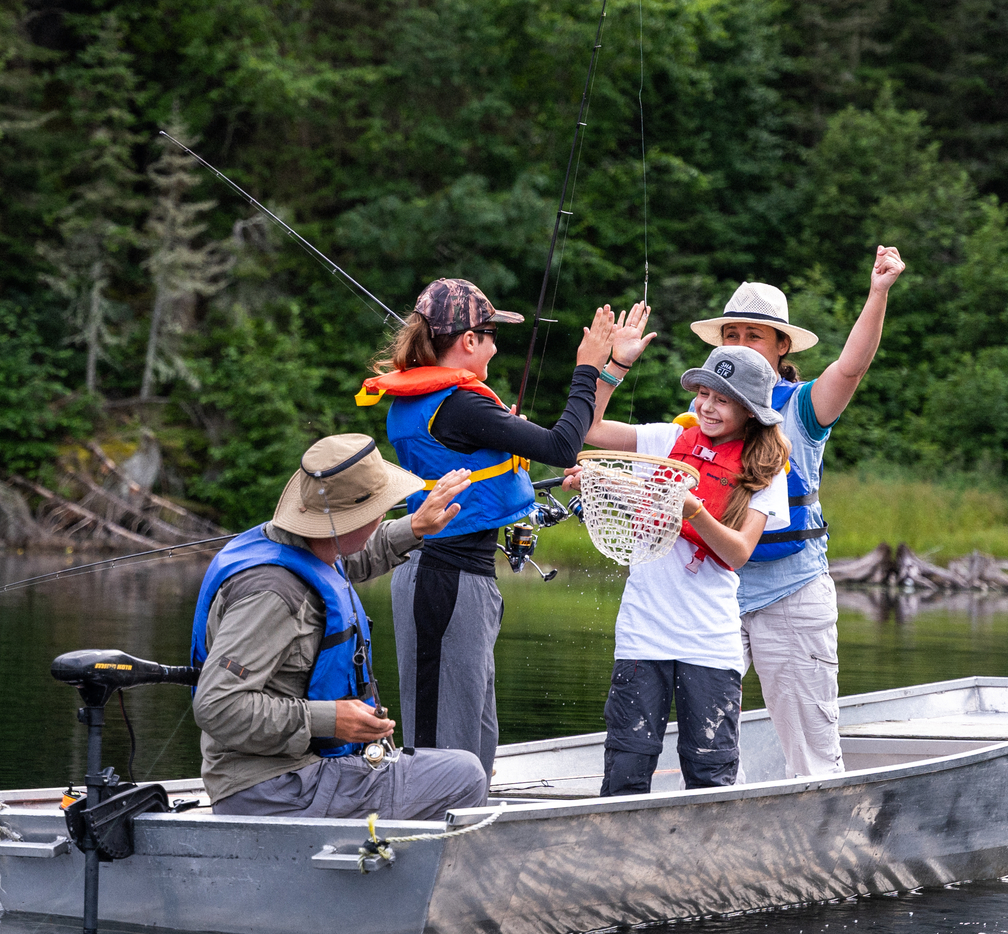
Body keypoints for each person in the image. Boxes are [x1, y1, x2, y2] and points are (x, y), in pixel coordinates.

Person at [600, 250, 906, 778]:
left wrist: (877, 291)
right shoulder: (695, 424)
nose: (741, 344)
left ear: (782, 346)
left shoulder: (804, 407)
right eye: (731, 335)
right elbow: (599, 436)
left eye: (755, 335)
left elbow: (851, 366)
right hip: (713, 599)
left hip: (791, 590)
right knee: (706, 743)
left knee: (811, 749)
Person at [356, 279, 618, 779]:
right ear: (468, 340)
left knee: (477, 741)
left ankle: (469, 840)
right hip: (444, 577)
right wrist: (590, 365)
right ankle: (426, 842)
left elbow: (484, 465)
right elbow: (564, 444)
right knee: (442, 753)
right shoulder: (460, 404)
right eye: (491, 334)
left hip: (465, 578)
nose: (497, 346)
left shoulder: (448, 402)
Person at [189, 433, 488, 819]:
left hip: (291, 775)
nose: (384, 515)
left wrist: (414, 527)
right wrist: (333, 719)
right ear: (355, 519)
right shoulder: (272, 595)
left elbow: (350, 560)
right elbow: (216, 706)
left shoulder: (302, 546)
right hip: (276, 787)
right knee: (463, 775)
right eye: (382, 509)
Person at [572, 345, 790, 795]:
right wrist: (616, 367)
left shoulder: (766, 470)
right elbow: (589, 428)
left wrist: (693, 511)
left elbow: (738, 553)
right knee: (627, 766)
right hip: (642, 631)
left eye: (722, 399)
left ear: (750, 411)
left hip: (709, 641)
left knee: (710, 773)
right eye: (703, 394)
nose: (706, 407)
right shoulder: (668, 441)